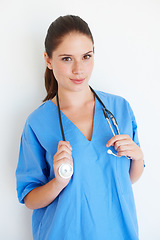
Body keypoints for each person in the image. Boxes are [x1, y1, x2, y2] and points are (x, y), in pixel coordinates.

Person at [16, 15, 144, 240]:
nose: (79, 69)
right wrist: (58, 182)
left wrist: (138, 157)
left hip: (119, 232)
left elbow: (127, 179)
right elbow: (30, 199)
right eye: (67, 59)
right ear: (48, 59)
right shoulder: (38, 123)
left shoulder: (119, 109)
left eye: (86, 56)